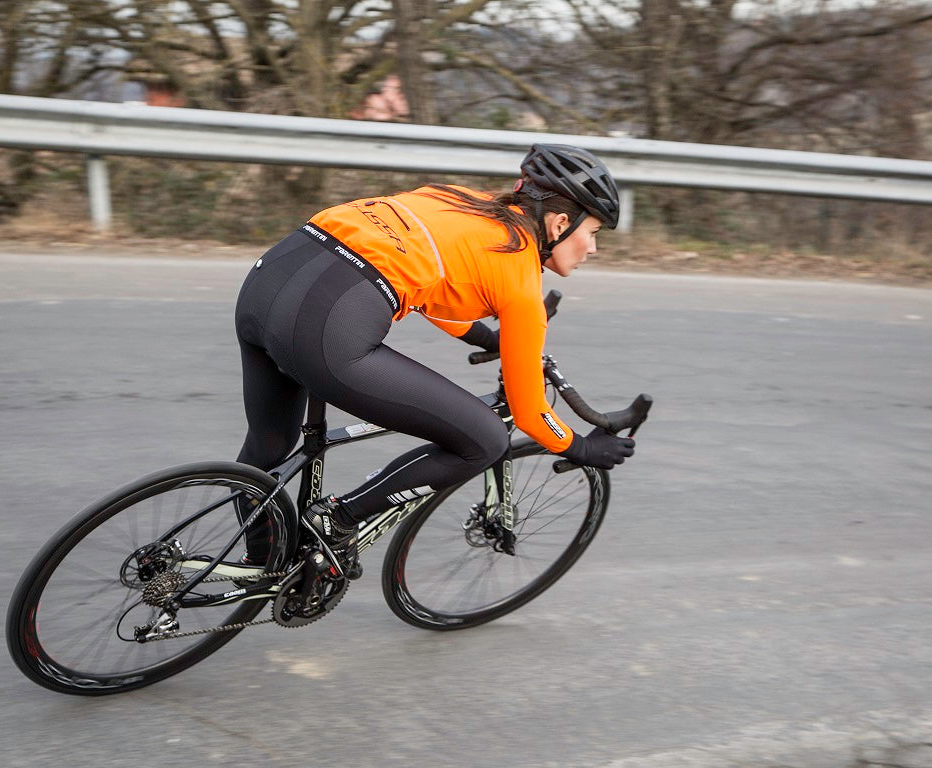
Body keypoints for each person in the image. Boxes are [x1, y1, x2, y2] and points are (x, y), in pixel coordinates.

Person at [233, 143, 636, 573]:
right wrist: (581, 446)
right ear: (559, 223)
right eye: (591, 233)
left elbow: (435, 286)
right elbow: (530, 414)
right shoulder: (520, 281)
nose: (592, 248)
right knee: (485, 440)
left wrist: (485, 336)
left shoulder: (460, 200)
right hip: (327, 323)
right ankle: (337, 519)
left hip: (270, 278)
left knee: (268, 446)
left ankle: (259, 564)